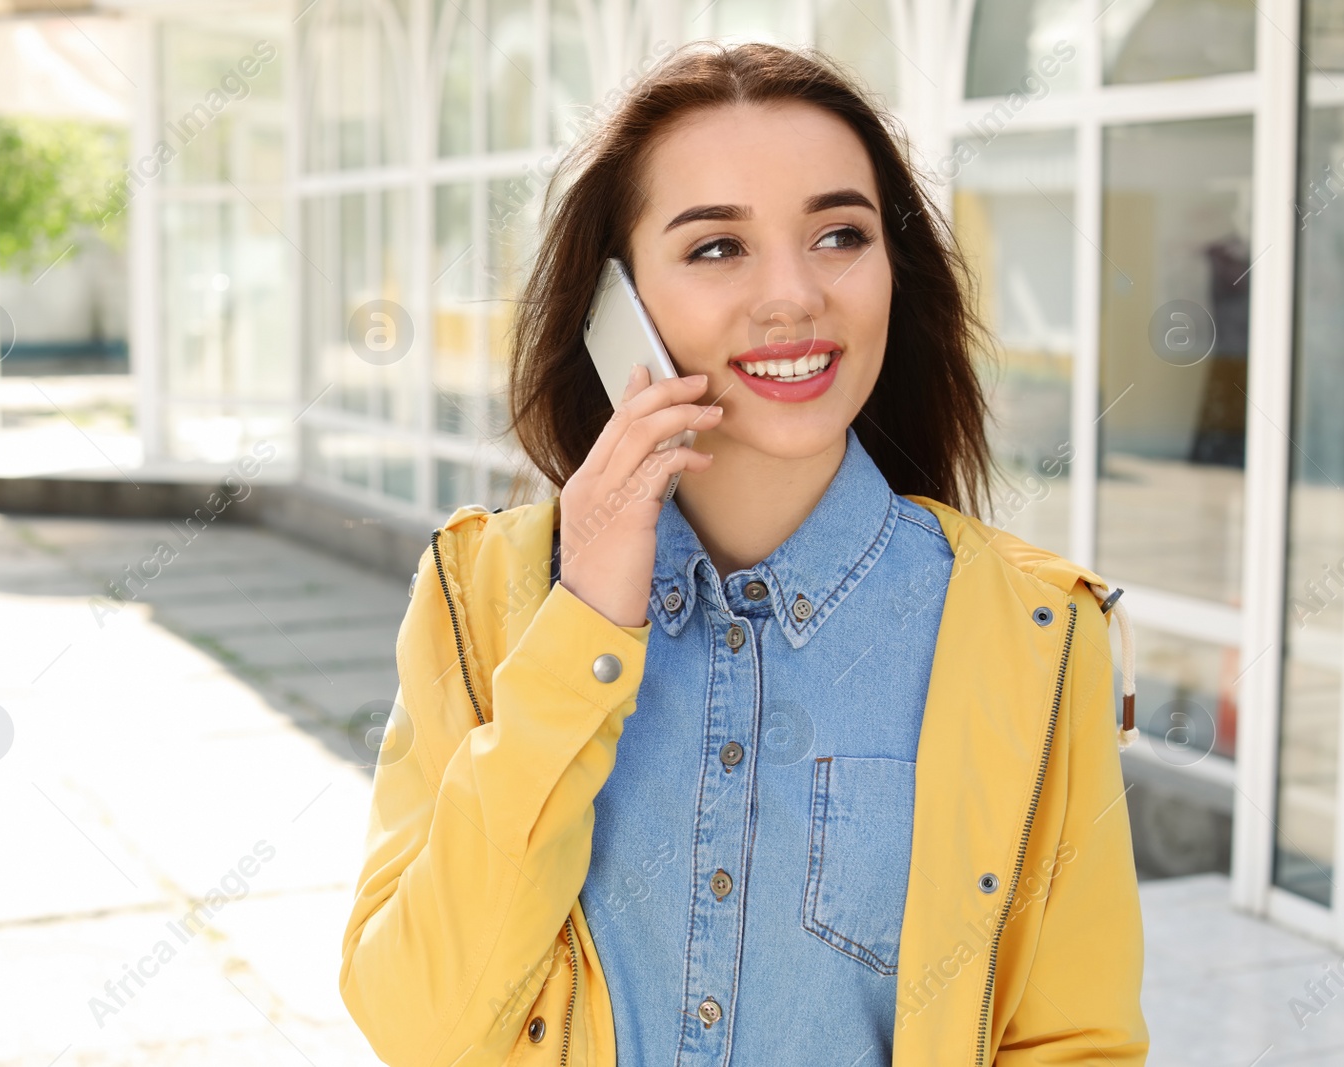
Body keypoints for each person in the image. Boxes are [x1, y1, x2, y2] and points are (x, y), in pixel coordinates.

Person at [340, 40, 1147, 1067]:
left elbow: (1074, 1039)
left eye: (839, 234)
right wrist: (582, 622)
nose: (792, 296)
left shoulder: (1036, 635)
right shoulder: (480, 593)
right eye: (716, 246)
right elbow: (418, 1023)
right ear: (612, 306)